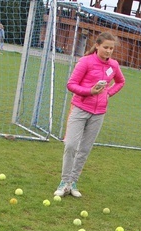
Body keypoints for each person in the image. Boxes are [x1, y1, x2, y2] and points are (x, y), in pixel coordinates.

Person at [53, 32, 125, 198]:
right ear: (97, 45)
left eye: (111, 49)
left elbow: (121, 81)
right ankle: (64, 182)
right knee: (71, 145)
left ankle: (73, 182)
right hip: (80, 109)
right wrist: (89, 91)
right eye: (105, 47)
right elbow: (71, 84)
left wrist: (108, 94)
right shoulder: (85, 61)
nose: (108, 51)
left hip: (99, 113)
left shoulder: (113, 65)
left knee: (84, 149)